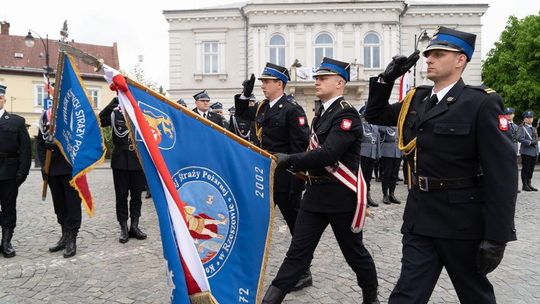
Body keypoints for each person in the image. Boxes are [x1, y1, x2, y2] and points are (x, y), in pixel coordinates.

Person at [365, 26, 517, 303]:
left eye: (438, 53)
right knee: (406, 296)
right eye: (428, 54)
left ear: (460, 60)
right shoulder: (417, 99)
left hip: (461, 222)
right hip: (420, 218)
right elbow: (374, 114)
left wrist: (498, 236)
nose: (429, 59)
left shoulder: (480, 103)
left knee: (475, 295)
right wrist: (387, 78)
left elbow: (503, 174)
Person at [263, 58, 379, 304]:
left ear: (340, 83)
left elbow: (329, 154)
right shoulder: (321, 113)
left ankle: (371, 299)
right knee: (297, 254)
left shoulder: (347, 114)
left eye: (323, 78)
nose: (316, 81)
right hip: (315, 196)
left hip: (340, 196)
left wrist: (289, 159)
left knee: (354, 254)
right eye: (316, 77)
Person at [235, 62, 311, 291]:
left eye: (267, 82)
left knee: (295, 225)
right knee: (255, 219)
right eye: (262, 82)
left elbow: (300, 148)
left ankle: (304, 271)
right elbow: (242, 114)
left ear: (280, 84)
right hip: (263, 178)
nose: (263, 86)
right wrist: (245, 94)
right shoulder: (263, 108)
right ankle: (248, 265)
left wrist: (296, 181)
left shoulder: (292, 109)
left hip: (286, 180)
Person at [99, 97, 147, 243]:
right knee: (121, 196)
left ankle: (134, 225)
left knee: (136, 196)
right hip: (120, 160)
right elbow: (101, 120)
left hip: (137, 160)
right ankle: (123, 227)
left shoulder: (139, 113)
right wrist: (112, 103)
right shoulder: (114, 114)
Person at [37, 110, 82, 258]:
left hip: (70, 168)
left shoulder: (72, 113)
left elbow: (80, 140)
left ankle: (72, 239)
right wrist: (44, 165)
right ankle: (64, 236)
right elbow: (39, 143)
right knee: (59, 205)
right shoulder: (45, 116)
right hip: (52, 169)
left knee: (72, 205)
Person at [0, 84, 31, 258]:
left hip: (9, 173)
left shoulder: (16, 121)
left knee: (8, 209)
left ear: (4, 99)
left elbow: (25, 150)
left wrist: (21, 174)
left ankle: (6, 242)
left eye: (0, 97)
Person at [359, 106, 380, 207]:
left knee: (368, 178)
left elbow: (378, 142)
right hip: (363, 153)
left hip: (372, 153)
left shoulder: (375, 127)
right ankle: (361, 198)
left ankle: (368, 196)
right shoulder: (361, 125)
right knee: (362, 177)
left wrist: (378, 154)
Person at [378, 126, 402, 205]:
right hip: (387, 151)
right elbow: (379, 129)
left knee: (395, 175)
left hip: (397, 151)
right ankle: (385, 195)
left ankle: (392, 194)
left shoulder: (399, 125)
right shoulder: (384, 125)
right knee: (386, 174)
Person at [517, 110, 538, 192]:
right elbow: (520, 138)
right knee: (525, 169)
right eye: (528, 118)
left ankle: (529, 183)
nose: (530, 119)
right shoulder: (522, 128)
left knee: (531, 169)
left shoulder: (534, 128)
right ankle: (524, 184)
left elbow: (536, 139)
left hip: (534, 152)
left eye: (531, 117)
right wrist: (530, 142)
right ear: (524, 119)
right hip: (526, 152)